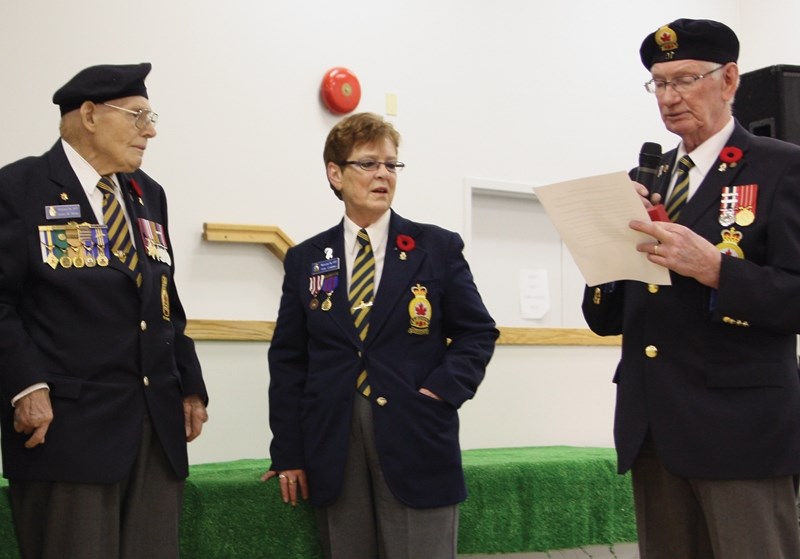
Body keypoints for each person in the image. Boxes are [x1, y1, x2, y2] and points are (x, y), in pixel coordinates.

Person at [582, 18, 800, 559]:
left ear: (729, 80)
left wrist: (719, 271)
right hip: (654, 425)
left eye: (685, 79)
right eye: (659, 83)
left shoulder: (782, 168)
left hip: (741, 431)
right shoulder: (646, 177)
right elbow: (608, 318)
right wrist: (601, 249)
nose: (670, 97)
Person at [262, 112, 498, 558]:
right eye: (368, 164)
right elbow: (289, 359)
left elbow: (477, 332)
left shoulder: (436, 247)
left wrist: (441, 391)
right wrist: (287, 450)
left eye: (392, 165)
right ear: (335, 173)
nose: (383, 175)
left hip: (416, 429)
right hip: (333, 438)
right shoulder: (307, 258)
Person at [0, 63, 209, 558]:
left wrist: (190, 385)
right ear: (90, 115)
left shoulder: (146, 194)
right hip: (69, 432)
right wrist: (25, 386)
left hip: (154, 432)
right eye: (137, 116)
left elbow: (164, 300)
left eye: (150, 116)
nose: (150, 130)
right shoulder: (20, 188)